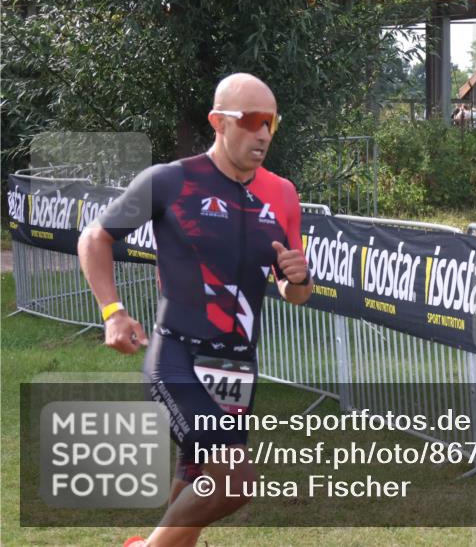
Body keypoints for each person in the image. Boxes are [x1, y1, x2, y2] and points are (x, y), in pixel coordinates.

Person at [78, 73, 313, 547]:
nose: (263, 133)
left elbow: (294, 293)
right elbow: (94, 237)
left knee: (197, 486)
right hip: (178, 358)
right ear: (218, 122)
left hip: (237, 367)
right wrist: (114, 312)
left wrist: (299, 279)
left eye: (271, 122)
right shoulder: (172, 180)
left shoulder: (283, 194)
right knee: (234, 480)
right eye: (250, 120)